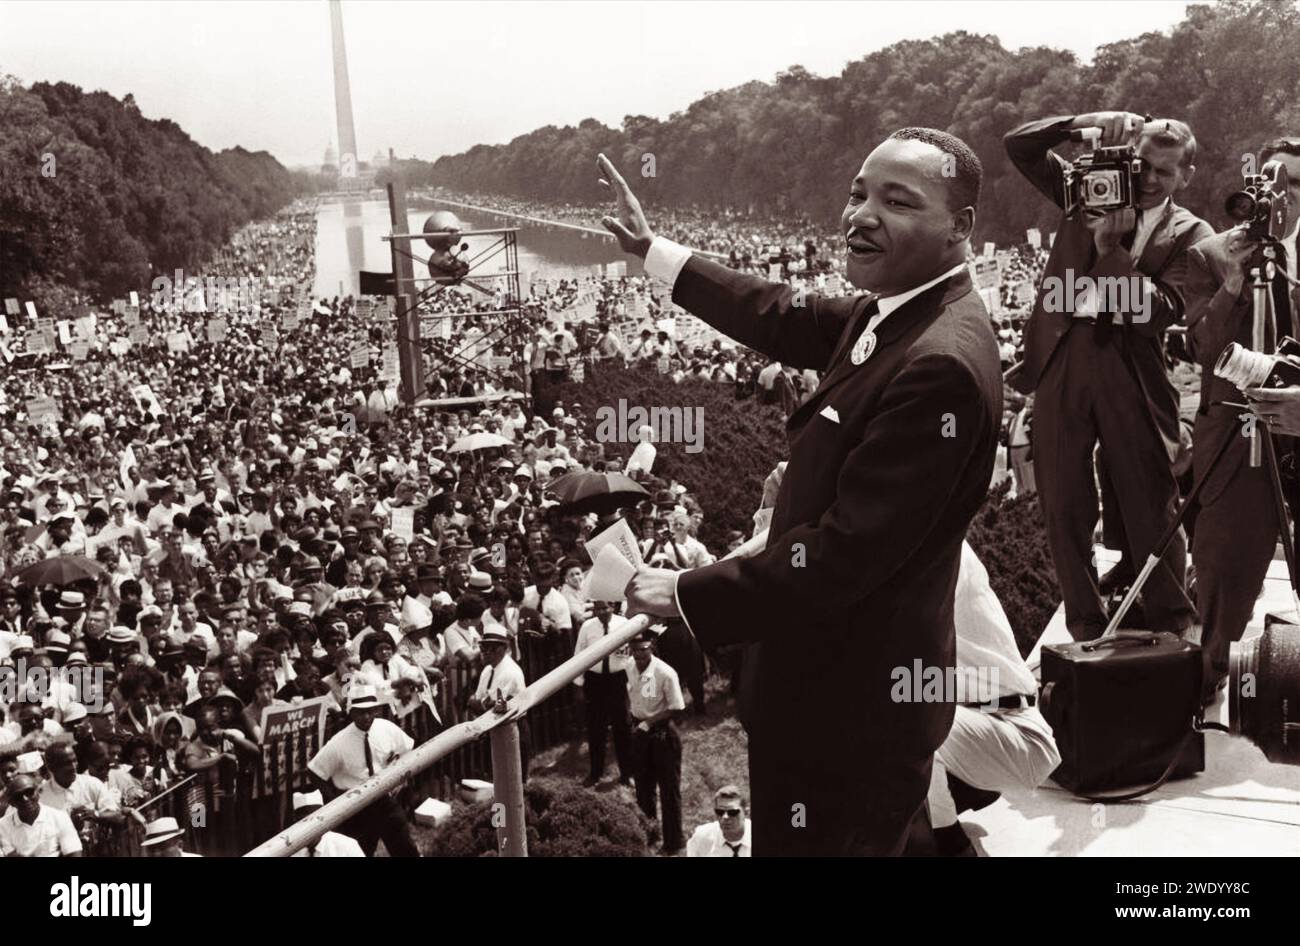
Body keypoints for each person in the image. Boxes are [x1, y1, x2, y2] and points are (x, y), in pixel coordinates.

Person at [605, 128, 1002, 856]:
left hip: (848, 721)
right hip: (830, 700)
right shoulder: (894, 310)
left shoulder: (938, 361)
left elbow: (846, 555)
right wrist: (652, 251)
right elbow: (777, 312)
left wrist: (690, 592)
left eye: (897, 200)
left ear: (960, 227)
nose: (861, 215)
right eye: (857, 193)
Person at [1003, 112, 1212, 641]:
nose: (1145, 179)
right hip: (1063, 356)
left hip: (1132, 366)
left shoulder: (1193, 234)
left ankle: (1171, 621)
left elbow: (1155, 312)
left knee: (1150, 497)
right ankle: (1084, 623)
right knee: (1062, 497)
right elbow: (1020, 147)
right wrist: (1080, 123)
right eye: (1140, 163)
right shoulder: (1086, 189)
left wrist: (1108, 251)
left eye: (1163, 172)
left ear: (1185, 176)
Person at [1185, 136, 1300, 705]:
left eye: (1297, 184)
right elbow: (1203, 350)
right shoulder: (1210, 253)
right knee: (1225, 570)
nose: (1283, 193)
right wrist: (1233, 283)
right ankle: (1208, 682)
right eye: (1274, 179)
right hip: (1237, 442)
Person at [307, 685, 419, 857]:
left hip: (385, 800)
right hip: (357, 808)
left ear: (376, 710)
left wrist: (400, 779)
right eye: (360, 712)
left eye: (370, 711)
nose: (366, 716)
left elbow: (407, 750)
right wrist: (334, 800)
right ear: (351, 714)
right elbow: (314, 772)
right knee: (358, 852)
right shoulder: (339, 742)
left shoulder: (386, 728)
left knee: (405, 848)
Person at [623, 631, 685, 855]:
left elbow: (677, 707)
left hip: (662, 735)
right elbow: (631, 691)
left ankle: (674, 842)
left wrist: (650, 722)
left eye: (643, 649)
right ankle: (649, 835)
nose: (638, 654)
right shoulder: (629, 665)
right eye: (634, 649)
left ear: (652, 647)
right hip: (640, 733)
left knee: (669, 790)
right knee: (643, 788)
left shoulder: (665, 672)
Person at [573, 600, 633, 787]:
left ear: (613, 607)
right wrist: (579, 685)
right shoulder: (587, 627)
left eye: (605, 608)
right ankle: (595, 772)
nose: (602, 612)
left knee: (622, 728)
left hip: (618, 680)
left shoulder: (624, 625)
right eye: (598, 608)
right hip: (595, 681)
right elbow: (579, 655)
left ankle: (626, 773)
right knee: (596, 728)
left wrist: (632, 685)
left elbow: (630, 656)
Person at [0, 774, 83, 856]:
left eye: (29, 792)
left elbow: (73, 852)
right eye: (18, 796)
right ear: (12, 803)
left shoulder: (59, 817)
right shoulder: (3, 825)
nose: (25, 799)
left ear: (38, 792)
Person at [288, 790, 364, 857]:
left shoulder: (347, 845)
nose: (310, 829)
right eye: (304, 823)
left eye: (315, 822)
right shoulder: (288, 851)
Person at [686, 785, 751, 857]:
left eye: (732, 812)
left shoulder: (760, 837)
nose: (725, 817)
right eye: (720, 812)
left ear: (746, 812)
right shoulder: (702, 838)